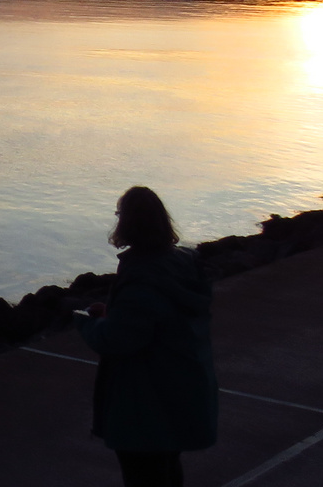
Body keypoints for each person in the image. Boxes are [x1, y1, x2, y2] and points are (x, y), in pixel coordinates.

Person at [78, 186, 217, 487]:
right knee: (167, 466)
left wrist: (87, 324)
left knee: (143, 474)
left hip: (147, 399)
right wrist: (113, 311)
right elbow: (154, 318)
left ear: (127, 223)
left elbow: (119, 339)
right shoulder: (184, 263)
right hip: (182, 387)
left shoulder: (143, 275)